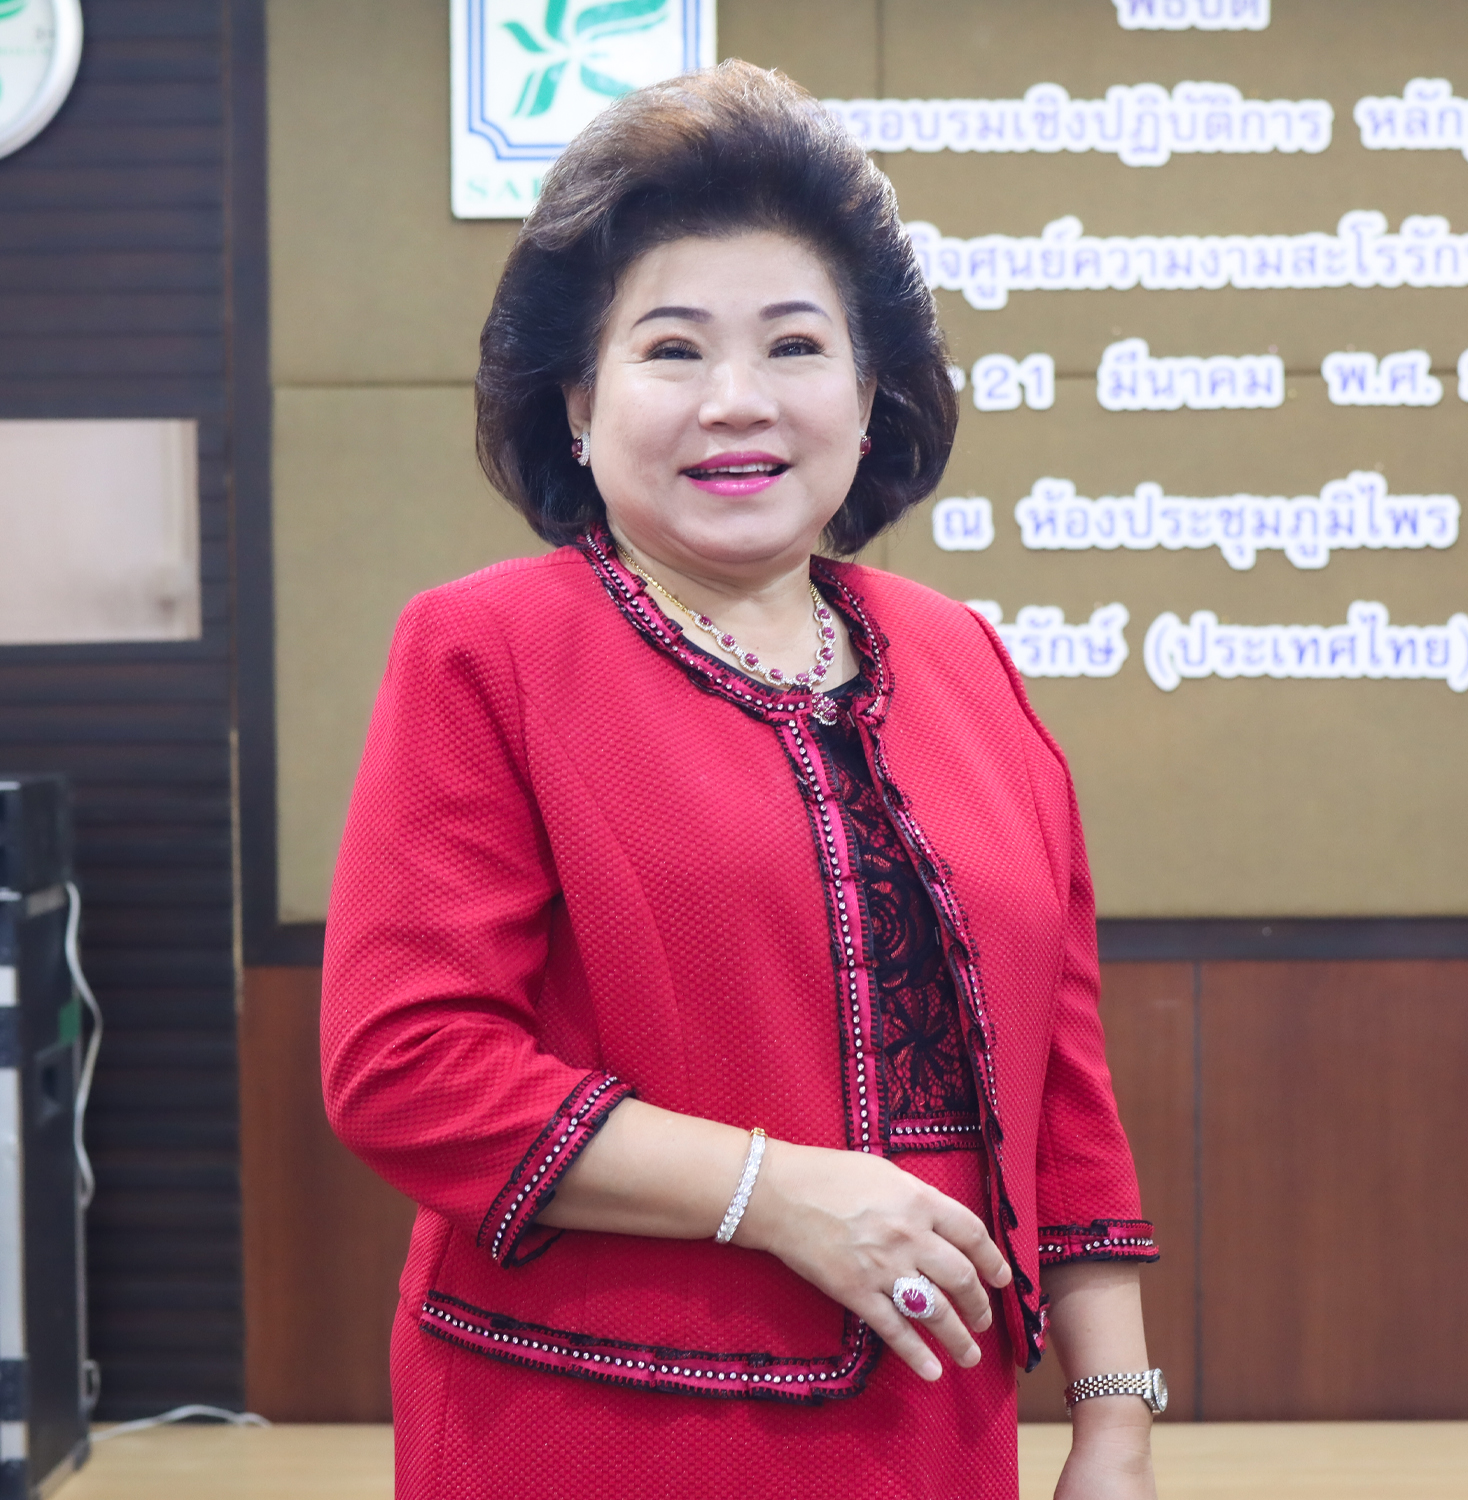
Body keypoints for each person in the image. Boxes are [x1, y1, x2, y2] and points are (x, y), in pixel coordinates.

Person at [321, 60, 1161, 1500]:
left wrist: (1115, 1428)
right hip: (590, 1430)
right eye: (671, 350)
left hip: (930, 1435)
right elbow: (408, 1069)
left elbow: (1064, 1091)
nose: (736, 401)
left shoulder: (963, 659)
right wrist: (777, 1195)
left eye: (793, 345)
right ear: (578, 403)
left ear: (868, 393)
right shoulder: (487, 649)